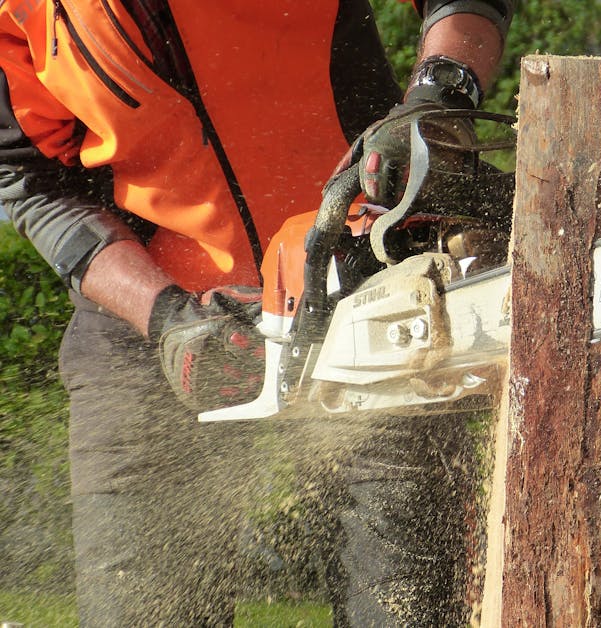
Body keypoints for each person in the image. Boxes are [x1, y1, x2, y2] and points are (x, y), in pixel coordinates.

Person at [0, 1, 514, 625]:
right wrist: (164, 317)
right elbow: (27, 177)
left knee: (408, 605)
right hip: (150, 313)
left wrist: (438, 94)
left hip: (368, 279)